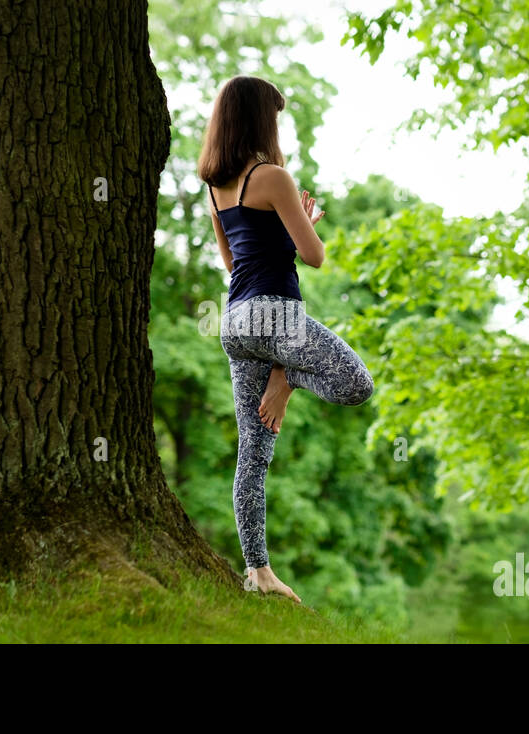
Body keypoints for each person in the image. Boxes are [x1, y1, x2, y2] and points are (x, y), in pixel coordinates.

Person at [199, 75, 374, 603]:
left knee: (252, 453)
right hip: (277, 317)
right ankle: (286, 379)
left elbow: (235, 264)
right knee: (356, 383)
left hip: (235, 323)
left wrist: (281, 233)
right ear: (259, 119)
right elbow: (315, 256)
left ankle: (259, 571)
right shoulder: (271, 177)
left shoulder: (215, 187)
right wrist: (308, 222)